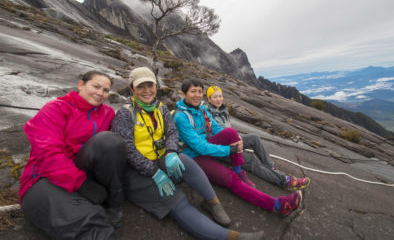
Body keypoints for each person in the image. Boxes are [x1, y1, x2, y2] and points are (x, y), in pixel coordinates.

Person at [111, 67, 264, 240]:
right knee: (177, 199)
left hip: (161, 159)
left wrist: (170, 152)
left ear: (156, 86)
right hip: (139, 172)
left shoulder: (160, 108)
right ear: (132, 88)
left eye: (150, 85)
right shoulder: (125, 114)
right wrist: (153, 172)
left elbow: (172, 133)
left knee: (185, 160)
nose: (147, 90)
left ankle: (212, 202)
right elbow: (127, 149)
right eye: (141, 86)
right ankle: (230, 237)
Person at [19, 70, 127, 239]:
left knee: (110, 141)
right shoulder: (55, 109)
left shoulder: (107, 113)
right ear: (81, 84)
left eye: (105, 90)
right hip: (46, 178)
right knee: (88, 226)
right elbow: (48, 154)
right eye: (96, 86)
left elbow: (112, 153)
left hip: (83, 170)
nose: (100, 93)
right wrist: (82, 184)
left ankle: (114, 203)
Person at [173, 78, 303, 218]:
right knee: (231, 179)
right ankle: (279, 205)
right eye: (193, 91)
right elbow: (200, 147)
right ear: (184, 93)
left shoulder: (202, 109)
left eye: (199, 91)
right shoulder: (181, 117)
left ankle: (239, 170)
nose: (197, 95)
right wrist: (229, 150)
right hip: (195, 157)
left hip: (207, 146)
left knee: (231, 132)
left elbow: (216, 128)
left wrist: (235, 140)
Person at [205, 85, 311, 190]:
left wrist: (237, 139)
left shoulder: (222, 110)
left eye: (220, 96)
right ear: (209, 99)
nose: (219, 99)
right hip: (223, 149)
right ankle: (284, 181)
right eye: (215, 97)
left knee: (254, 138)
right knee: (251, 160)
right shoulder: (208, 115)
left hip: (233, 142)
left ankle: (271, 168)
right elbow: (213, 137)